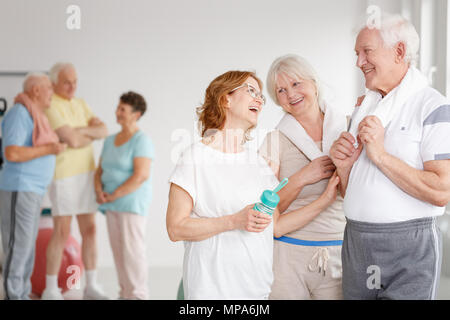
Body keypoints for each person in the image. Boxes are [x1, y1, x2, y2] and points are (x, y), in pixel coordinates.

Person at [329, 13, 450, 300]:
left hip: (409, 244)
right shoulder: (364, 109)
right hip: (358, 242)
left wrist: (380, 155)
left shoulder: (433, 106)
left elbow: (441, 191)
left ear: (399, 52)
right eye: (357, 54)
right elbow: (350, 192)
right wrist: (344, 167)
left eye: (367, 51)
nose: (359, 62)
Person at [166, 71, 279, 300]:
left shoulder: (258, 163)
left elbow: (275, 226)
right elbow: (175, 229)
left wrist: (323, 196)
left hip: (257, 291)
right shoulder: (195, 157)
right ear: (225, 99)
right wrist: (233, 221)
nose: (258, 99)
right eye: (250, 91)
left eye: (260, 96)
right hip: (211, 292)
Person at [259, 54, 346, 300]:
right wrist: (302, 177)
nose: (291, 95)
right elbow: (268, 211)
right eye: (281, 90)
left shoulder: (348, 128)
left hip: (339, 253)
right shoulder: (274, 141)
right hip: (288, 258)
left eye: (296, 84)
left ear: (314, 83)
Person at [41, 63, 109, 300]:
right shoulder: (50, 106)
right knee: (62, 230)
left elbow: (103, 130)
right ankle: (51, 288)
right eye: (67, 82)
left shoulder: (81, 104)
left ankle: (91, 285)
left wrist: (80, 133)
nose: (72, 86)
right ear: (54, 83)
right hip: (64, 176)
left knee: (90, 229)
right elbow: (72, 139)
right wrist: (84, 133)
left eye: (75, 81)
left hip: (87, 174)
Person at [0, 73, 66, 300]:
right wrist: (50, 149)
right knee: (18, 246)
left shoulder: (34, 115)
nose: (52, 92)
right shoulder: (19, 113)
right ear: (36, 90)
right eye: (49, 87)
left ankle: (22, 293)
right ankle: (14, 295)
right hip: (20, 187)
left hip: (32, 190)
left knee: (26, 247)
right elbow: (12, 152)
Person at [94, 91, 154, 300]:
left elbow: (141, 175)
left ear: (136, 114)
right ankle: (124, 295)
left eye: (123, 109)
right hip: (111, 204)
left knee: (133, 253)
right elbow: (99, 171)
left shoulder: (141, 140)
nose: (117, 112)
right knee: (119, 254)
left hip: (131, 204)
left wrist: (114, 194)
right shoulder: (110, 140)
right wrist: (99, 191)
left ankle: (138, 295)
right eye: (118, 107)